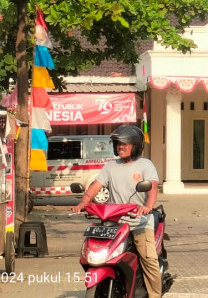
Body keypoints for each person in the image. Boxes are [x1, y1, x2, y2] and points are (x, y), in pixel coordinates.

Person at [72, 125, 162, 297]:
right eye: (118, 143)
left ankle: (155, 295)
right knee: (94, 251)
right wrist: (83, 202)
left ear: (135, 146)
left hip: (139, 222)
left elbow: (153, 187)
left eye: (125, 144)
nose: (120, 146)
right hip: (114, 222)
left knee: (148, 259)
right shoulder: (111, 166)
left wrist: (148, 206)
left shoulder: (145, 164)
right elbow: (95, 186)